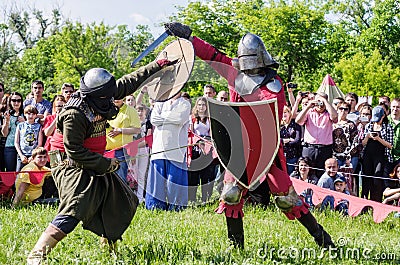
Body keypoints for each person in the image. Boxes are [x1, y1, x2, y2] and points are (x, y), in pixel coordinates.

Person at [165, 22, 334, 248]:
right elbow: (212, 55)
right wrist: (190, 38)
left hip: (266, 152)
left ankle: (325, 241)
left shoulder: (274, 85)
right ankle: (237, 247)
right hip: (239, 151)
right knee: (230, 194)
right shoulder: (234, 75)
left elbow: (266, 115)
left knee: (287, 198)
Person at [27, 59, 173, 264]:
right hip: (68, 165)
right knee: (76, 206)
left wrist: (159, 64)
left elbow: (133, 80)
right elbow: (75, 151)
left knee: (119, 198)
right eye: (108, 96)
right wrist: (107, 164)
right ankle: (37, 253)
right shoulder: (73, 114)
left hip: (93, 161)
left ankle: (109, 248)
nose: (112, 98)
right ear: (98, 95)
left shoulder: (104, 93)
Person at [145, 93, 191, 211]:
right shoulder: (160, 103)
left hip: (177, 150)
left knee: (175, 182)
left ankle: (176, 207)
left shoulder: (185, 104)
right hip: (159, 148)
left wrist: (163, 117)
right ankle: (155, 206)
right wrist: (171, 118)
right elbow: (153, 119)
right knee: (156, 182)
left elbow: (180, 119)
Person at [296, 91, 338, 177]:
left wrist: (325, 102)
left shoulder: (328, 113)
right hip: (309, 148)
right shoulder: (309, 112)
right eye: (318, 101)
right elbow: (298, 121)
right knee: (306, 173)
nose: (320, 104)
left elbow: (334, 117)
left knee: (322, 174)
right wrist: (308, 106)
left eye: (322, 101)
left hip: (324, 149)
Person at [361, 105, 394, 202]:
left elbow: (390, 145)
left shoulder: (388, 127)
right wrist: (368, 137)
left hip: (380, 155)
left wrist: (378, 139)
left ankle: (376, 200)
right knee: (366, 177)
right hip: (368, 155)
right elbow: (362, 143)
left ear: (383, 116)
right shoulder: (368, 126)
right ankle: (364, 199)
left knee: (377, 177)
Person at [106, 98, 141, 182]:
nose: (116, 99)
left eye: (119, 96)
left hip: (121, 152)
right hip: (105, 151)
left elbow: (137, 130)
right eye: (114, 96)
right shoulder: (105, 109)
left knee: (120, 181)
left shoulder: (131, 111)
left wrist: (120, 130)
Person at [188, 97, 215, 203]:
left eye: (203, 105)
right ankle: (192, 198)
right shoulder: (193, 118)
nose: (201, 107)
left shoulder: (209, 118)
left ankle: (205, 198)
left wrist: (208, 144)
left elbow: (211, 133)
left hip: (207, 148)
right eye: (199, 105)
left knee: (206, 174)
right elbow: (191, 132)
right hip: (196, 147)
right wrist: (198, 142)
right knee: (194, 175)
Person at [132, 104, 152, 203]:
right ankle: (132, 196)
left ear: (145, 112)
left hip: (143, 149)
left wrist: (136, 146)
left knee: (141, 174)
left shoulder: (148, 123)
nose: (139, 113)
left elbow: (148, 139)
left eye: (141, 110)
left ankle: (140, 198)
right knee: (132, 174)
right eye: (138, 110)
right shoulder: (131, 123)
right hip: (131, 151)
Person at [15, 105, 43, 172]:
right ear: (24, 114)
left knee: (33, 174)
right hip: (22, 155)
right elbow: (16, 142)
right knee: (19, 174)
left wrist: (33, 156)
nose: (30, 116)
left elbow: (39, 143)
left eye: (33, 114)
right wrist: (21, 155)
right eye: (28, 113)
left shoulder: (38, 126)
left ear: (36, 115)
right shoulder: (20, 125)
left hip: (33, 155)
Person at [2, 92, 25, 172]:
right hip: (10, 146)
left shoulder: (25, 113)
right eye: (14, 100)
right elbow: (4, 134)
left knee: (21, 172)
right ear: (10, 101)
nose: (16, 103)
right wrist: (7, 122)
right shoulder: (7, 114)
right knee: (10, 171)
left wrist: (25, 122)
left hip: (23, 147)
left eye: (19, 100)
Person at [332, 102, 359, 169]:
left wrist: (348, 158)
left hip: (349, 157)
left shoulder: (351, 125)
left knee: (348, 177)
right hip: (334, 156)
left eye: (346, 109)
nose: (343, 111)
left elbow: (355, 142)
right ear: (337, 110)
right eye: (341, 108)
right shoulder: (332, 124)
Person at [281, 105, 302, 174]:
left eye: (285, 112)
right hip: (282, 157)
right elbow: (277, 141)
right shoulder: (280, 126)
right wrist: (287, 140)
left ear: (289, 113)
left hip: (293, 156)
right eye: (282, 112)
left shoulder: (295, 125)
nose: (283, 114)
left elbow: (297, 141)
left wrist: (284, 142)